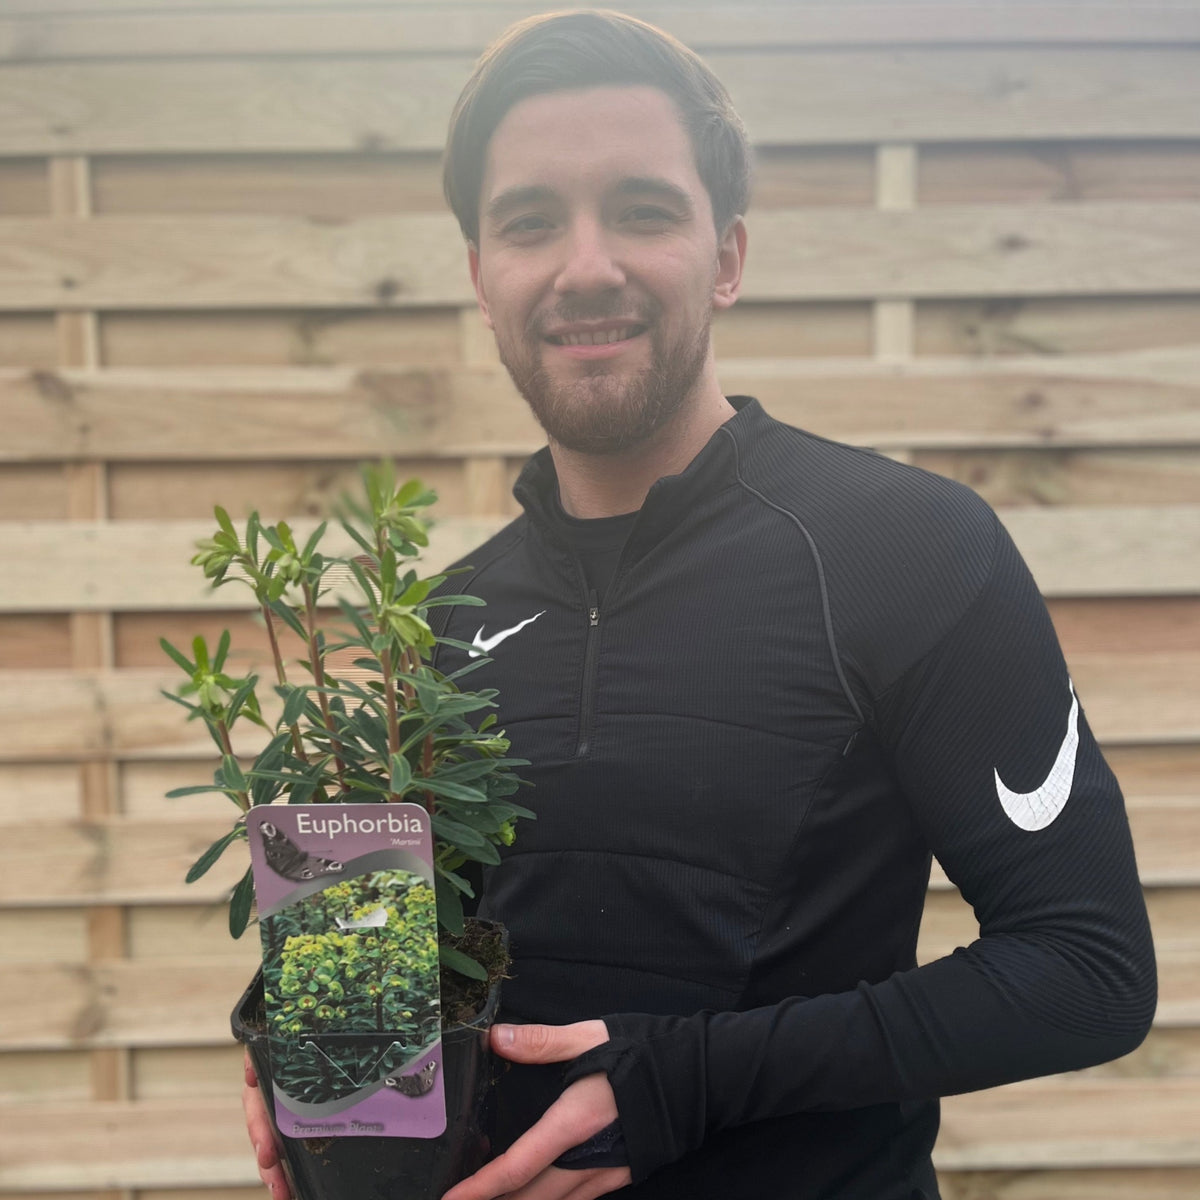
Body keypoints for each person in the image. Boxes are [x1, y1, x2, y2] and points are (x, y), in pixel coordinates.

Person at [243, 10, 1156, 1199]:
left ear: (726, 255)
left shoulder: (906, 548)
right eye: (531, 221)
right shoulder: (439, 618)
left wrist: (684, 1079)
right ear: (481, 277)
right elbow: (414, 971)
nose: (586, 266)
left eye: (641, 209)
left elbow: (1086, 970)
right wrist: (302, 1058)